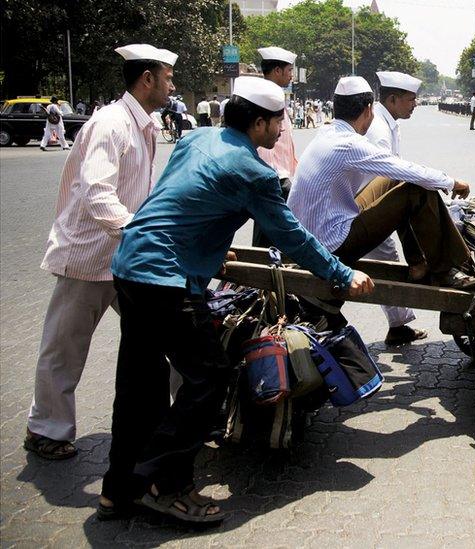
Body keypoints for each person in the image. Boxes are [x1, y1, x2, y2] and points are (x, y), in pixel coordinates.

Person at [100, 76, 373, 524]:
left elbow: (176, 198)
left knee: (138, 386)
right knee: (209, 377)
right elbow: (292, 238)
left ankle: (117, 490)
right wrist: (343, 274)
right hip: (167, 279)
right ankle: (163, 485)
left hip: (130, 263)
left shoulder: (196, 138)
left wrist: (207, 241)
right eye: (279, 121)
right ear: (259, 122)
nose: (284, 130)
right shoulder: (255, 173)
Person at [25, 44, 177, 463]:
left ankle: (185, 419)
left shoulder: (144, 124)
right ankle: (46, 429)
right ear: (147, 79)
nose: (172, 84)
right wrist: (138, 231)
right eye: (167, 76)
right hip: (89, 255)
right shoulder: (111, 123)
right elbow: (96, 192)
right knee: (65, 347)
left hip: (127, 258)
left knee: (169, 335)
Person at [289, 76, 475, 293]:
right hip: (331, 244)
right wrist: (452, 182)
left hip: (312, 234)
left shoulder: (327, 132)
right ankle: (447, 268)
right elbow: (408, 170)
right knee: (417, 190)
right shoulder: (349, 144)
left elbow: (397, 170)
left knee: (399, 178)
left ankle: (418, 263)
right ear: (368, 109)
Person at [352, 70, 431, 346]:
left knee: (385, 259)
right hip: (364, 205)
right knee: (385, 259)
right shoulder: (379, 132)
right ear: (394, 99)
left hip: (370, 202)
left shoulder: (388, 124)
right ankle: (399, 322)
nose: (415, 104)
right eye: (411, 99)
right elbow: (385, 176)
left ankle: (398, 324)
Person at [253, 46, 300, 247]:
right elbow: (268, 147)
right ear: (277, 71)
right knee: (273, 234)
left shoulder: (276, 97)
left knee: (268, 232)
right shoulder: (266, 99)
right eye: (289, 70)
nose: (291, 75)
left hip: (280, 175)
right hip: (274, 176)